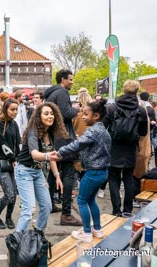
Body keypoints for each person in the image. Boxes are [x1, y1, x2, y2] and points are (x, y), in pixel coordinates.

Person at [56, 99, 111, 242]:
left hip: (93, 172)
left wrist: (60, 152)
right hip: (103, 172)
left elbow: (77, 145)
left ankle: (86, 233)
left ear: (96, 116)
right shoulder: (103, 130)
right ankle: (97, 229)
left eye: (86, 114)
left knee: (81, 200)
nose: (83, 117)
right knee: (91, 200)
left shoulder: (92, 131)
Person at [15, 102, 65, 232]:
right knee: (28, 211)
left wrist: (57, 176)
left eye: (52, 113)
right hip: (24, 171)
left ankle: (37, 234)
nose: (50, 116)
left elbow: (51, 156)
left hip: (38, 173)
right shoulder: (33, 132)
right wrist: (49, 156)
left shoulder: (50, 133)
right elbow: (35, 155)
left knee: (47, 206)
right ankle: (16, 243)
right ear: (39, 116)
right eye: (46, 113)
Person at [102, 80, 148, 216]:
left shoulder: (112, 107)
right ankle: (127, 210)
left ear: (123, 90)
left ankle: (116, 210)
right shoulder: (140, 110)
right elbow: (144, 132)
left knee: (113, 179)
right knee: (128, 179)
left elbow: (103, 126)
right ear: (136, 91)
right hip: (130, 148)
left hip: (114, 148)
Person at [44, 69, 82, 226]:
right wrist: (77, 109)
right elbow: (66, 113)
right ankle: (66, 214)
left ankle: (50, 205)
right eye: (70, 80)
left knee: (54, 174)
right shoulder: (62, 92)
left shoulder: (51, 94)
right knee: (69, 173)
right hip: (64, 138)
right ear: (63, 80)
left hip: (55, 138)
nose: (72, 82)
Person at [0, 99, 21, 230]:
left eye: (16, 109)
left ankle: (8, 217)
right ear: (5, 109)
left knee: (13, 193)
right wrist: (13, 159)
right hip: (0, 162)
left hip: (13, 162)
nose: (15, 112)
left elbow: (17, 144)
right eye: (12, 109)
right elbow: (2, 143)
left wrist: (18, 159)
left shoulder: (14, 124)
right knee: (9, 194)